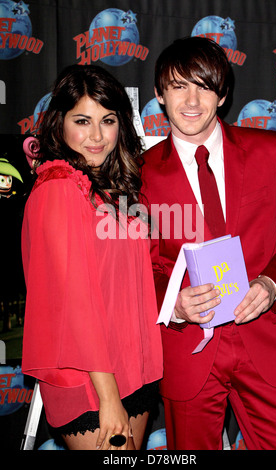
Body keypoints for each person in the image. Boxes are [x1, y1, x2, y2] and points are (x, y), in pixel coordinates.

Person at [141, 36, 276, 450]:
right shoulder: (140, 175)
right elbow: (138, 266)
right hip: (187, 349)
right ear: (159, 94)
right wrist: (173, 302)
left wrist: (271, 285)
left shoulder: (272, 151)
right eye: (178, 86)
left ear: (223, 94)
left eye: (205, 86)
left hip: (267, 339)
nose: (192, 100)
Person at [21, 64, 163, 450]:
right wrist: (108, 397)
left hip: (133, 369)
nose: (97, 136)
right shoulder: (59, 188)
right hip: (90, 382)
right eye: (82, 120)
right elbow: (74, 303)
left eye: (108, 120)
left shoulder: (110, 189)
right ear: (59, 123)